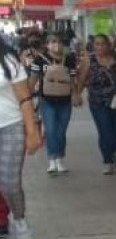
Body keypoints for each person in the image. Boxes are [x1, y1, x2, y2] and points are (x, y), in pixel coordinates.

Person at [0, 36, 43, 239]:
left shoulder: (8, 61)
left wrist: (32, 132)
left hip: (11, 128)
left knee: (9, 182)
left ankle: (19, 218)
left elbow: (25, 99)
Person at [74, 33, 116, 175]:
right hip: (98, 101)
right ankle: (107, 160)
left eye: (103, 44)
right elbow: (81, 79)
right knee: (106, 132)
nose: (100, 47)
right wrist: (77, 95)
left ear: (109, 45)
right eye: (97, 44)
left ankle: (111, 153)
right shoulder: (89, 60)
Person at [29, 34, 78, 175]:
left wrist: (75, 94)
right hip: (46, 100)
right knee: (50, 130)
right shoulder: (39, 60)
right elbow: (32, 79)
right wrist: (27, 99)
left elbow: (73, 78)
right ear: (46, 44)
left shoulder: (69, 59)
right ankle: (52, 159)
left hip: (65, 101)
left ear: (62, 44)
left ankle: (60, 158)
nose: (55, 45)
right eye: (51, 42)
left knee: (61, 132)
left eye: (57, 42)